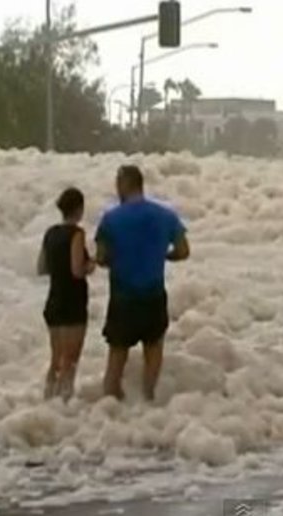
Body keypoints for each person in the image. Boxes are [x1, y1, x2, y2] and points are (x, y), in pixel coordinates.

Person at [95, 165, 190, 401]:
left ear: (124, 185)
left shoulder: (111, 218)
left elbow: (101, 258)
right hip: (154, 294)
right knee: (154, 347)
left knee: (118, 352)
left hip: (123, 296)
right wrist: (163, 255)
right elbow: (183, 251)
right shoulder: (166, 215)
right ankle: (148, 396)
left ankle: (110, 402)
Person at [37, 187, 96, 402]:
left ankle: (48, 399)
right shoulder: (77, 234)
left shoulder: (50, 233)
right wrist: (91, 264)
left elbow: (42, 268)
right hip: (72, 302)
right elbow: (76, 270)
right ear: (79, 209)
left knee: (56, 359)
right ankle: (65, 404)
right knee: (70, 361)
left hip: (53, 300)